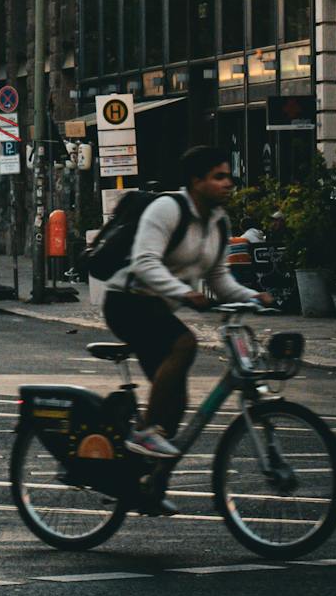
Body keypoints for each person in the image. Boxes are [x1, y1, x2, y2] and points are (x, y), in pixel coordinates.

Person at [102, 143, 269, 459]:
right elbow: (144, 262)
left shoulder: (218, 222)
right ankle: (146, 433)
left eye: (229, 176)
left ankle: (143, 480)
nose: (228, 183)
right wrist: (184, 293)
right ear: (196, 181)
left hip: (157, 309)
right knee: (185, 343)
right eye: (219, 177)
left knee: (175, 405)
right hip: (126, 301)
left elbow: (219, 279)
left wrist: (253, 296)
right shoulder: (167, 209)